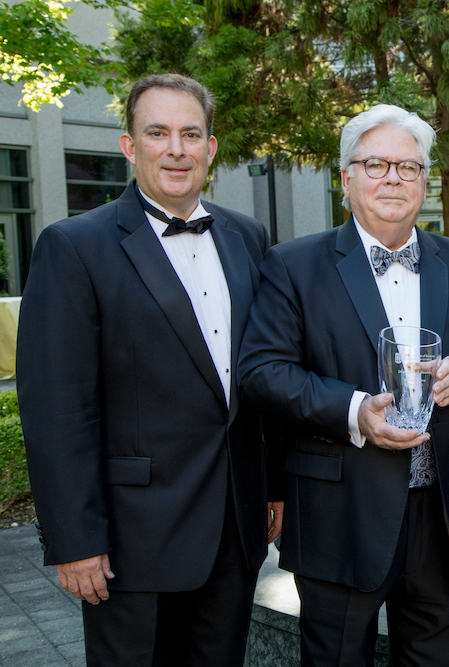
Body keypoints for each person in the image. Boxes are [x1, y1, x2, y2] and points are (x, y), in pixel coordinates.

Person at [16, 73, 282, 666]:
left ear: (211, 148)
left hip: (234, 532)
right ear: (130, 146)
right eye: (157, 133)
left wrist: (273, 485)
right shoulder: (73, 247)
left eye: (191, 134)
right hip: (132, 542)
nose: (177, 149)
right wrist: (74, 540)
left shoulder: (247, 237)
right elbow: (56, 408)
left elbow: (261, 376)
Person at [237, 103, 449, 667]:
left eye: (408, 168)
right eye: (376, 164)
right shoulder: (292, 265)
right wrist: (356, 411)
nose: (392, 179)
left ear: (424, 180)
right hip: (339, 511)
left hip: (444, 514)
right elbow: (262, 373)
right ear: (345, 177)